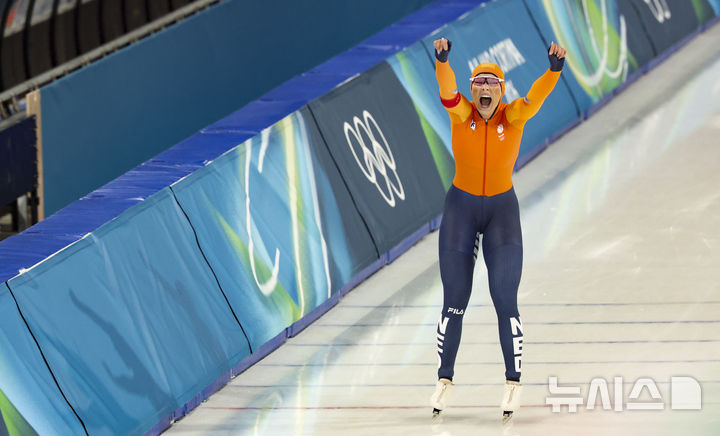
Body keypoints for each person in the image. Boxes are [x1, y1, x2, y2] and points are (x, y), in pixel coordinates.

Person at [429, 38, 567, 423]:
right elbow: (447, 89)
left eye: (492, 83)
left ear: (502, 90)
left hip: (501, 213)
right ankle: (444, 377)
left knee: (505, 298)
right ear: (472, 90)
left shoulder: (513, 115)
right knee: (454, 299)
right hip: (461, 210)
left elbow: (536, 97)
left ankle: (513, 381)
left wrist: (553, 71)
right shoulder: (462, 114)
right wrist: (443, 61)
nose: (485, 89)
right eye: (479, 83)